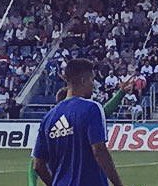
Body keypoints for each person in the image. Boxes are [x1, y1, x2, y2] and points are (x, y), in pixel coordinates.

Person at [31, 58, 125, 186]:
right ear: (83, 81)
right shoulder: (92, 108)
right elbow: (99, 150)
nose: (94, 84)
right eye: (92, 80)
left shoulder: (48, 118)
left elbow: (37, 165)